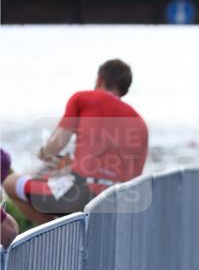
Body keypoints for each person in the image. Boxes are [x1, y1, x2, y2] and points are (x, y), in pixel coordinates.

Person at [2, 59, 148, 226]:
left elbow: (57, 144)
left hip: (80, 195)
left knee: (10, 182)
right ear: (125, 89)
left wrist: (44, 153)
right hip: (118, 203)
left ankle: (56, 237)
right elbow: (135, 176)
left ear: (100, 79)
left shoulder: (83, 98)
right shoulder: (140, 123)